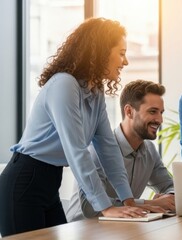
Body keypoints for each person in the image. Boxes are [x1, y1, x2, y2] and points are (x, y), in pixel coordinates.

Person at [0, 18, 146, 237]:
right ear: (102, 51)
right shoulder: (64, 84)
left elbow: (108, 149)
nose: (125, 62)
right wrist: (105, 207)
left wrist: (128, 200)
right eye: (121, 52)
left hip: (50, 183)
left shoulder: (95, 94)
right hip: (25, 181)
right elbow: (77, 151)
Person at [66, 80, 175, 222]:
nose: (160, 119)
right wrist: (149, 204)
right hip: (84, 228)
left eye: (161, 113)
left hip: (123, 227)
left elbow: (168, 185)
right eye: (152, 111)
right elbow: (93, 206)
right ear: (129, 111)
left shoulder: (149, 150)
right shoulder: (98, 149)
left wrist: (170, 197)